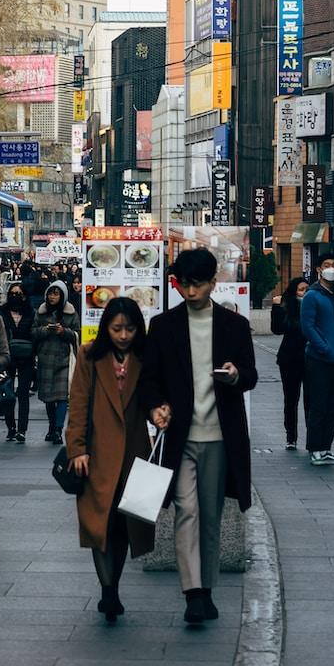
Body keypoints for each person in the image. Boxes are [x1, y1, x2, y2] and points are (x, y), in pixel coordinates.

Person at [137, 248, 257, 626]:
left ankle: (206, 587)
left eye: (198, 284)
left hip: (221, 435)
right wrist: (156, 406)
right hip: (180, 436)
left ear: (213, 282)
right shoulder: (163, 325)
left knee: (211, 514)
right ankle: (193, 592)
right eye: (184, 284)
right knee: (186, 510)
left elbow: (251, 375)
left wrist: (237, 375)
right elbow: (149, 379)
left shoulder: (234, 326)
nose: (190, 292)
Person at [66, 297, 155, 625]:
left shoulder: (146, 357)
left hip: (135, 452)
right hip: (97, 453)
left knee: (124, 525)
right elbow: (77, 404)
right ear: (106, 327)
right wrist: (76, 449)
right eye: (116, 328)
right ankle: (108, 590)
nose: (123, 335)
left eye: (130, 328)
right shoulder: (90, 354)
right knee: (98, 524)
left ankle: (113, 586)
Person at [298, 255, 334, 465]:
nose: (331, 269)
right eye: (327, 266)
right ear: (318, 269)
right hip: (318, 359)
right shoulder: (312, 296)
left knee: (333, 407)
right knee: (318, 406)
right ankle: (315, 448)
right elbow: (308, 327)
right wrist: (323, 347)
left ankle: (326, 447)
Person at [34, 282, 80, 442]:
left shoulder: (70, 312)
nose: (52, 297)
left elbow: (77, 333)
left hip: (64, 357)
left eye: (56, 294)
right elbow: (33, 332)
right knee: (48, 397)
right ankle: (51, 427)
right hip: (45, 358)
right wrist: (44, 330)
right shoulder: (41, 312)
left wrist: (64, 331)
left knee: (61, 397)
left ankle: (58, 430)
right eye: (50, 293)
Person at [268, 277, 311, 451]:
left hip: (310, 359)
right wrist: (277, 307)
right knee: (291, 399)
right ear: (294, 292)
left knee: (311, 400)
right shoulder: (286, 307)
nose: (305, 293)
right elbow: (277, 328)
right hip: (290, 359)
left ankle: (312, 437)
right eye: (301, 290)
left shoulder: (313, 307)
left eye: (307, 289)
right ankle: (291, 437)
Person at [0, 282, 37, 443]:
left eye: (19, 294)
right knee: (7, 393)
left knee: (23, 393)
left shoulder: (31, 312)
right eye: (13, 293)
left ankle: (22, 429)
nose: (16, 297)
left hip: (27, 357)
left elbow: (35, 333)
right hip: (7, 357)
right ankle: (10, 428)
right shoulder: (1, 313)